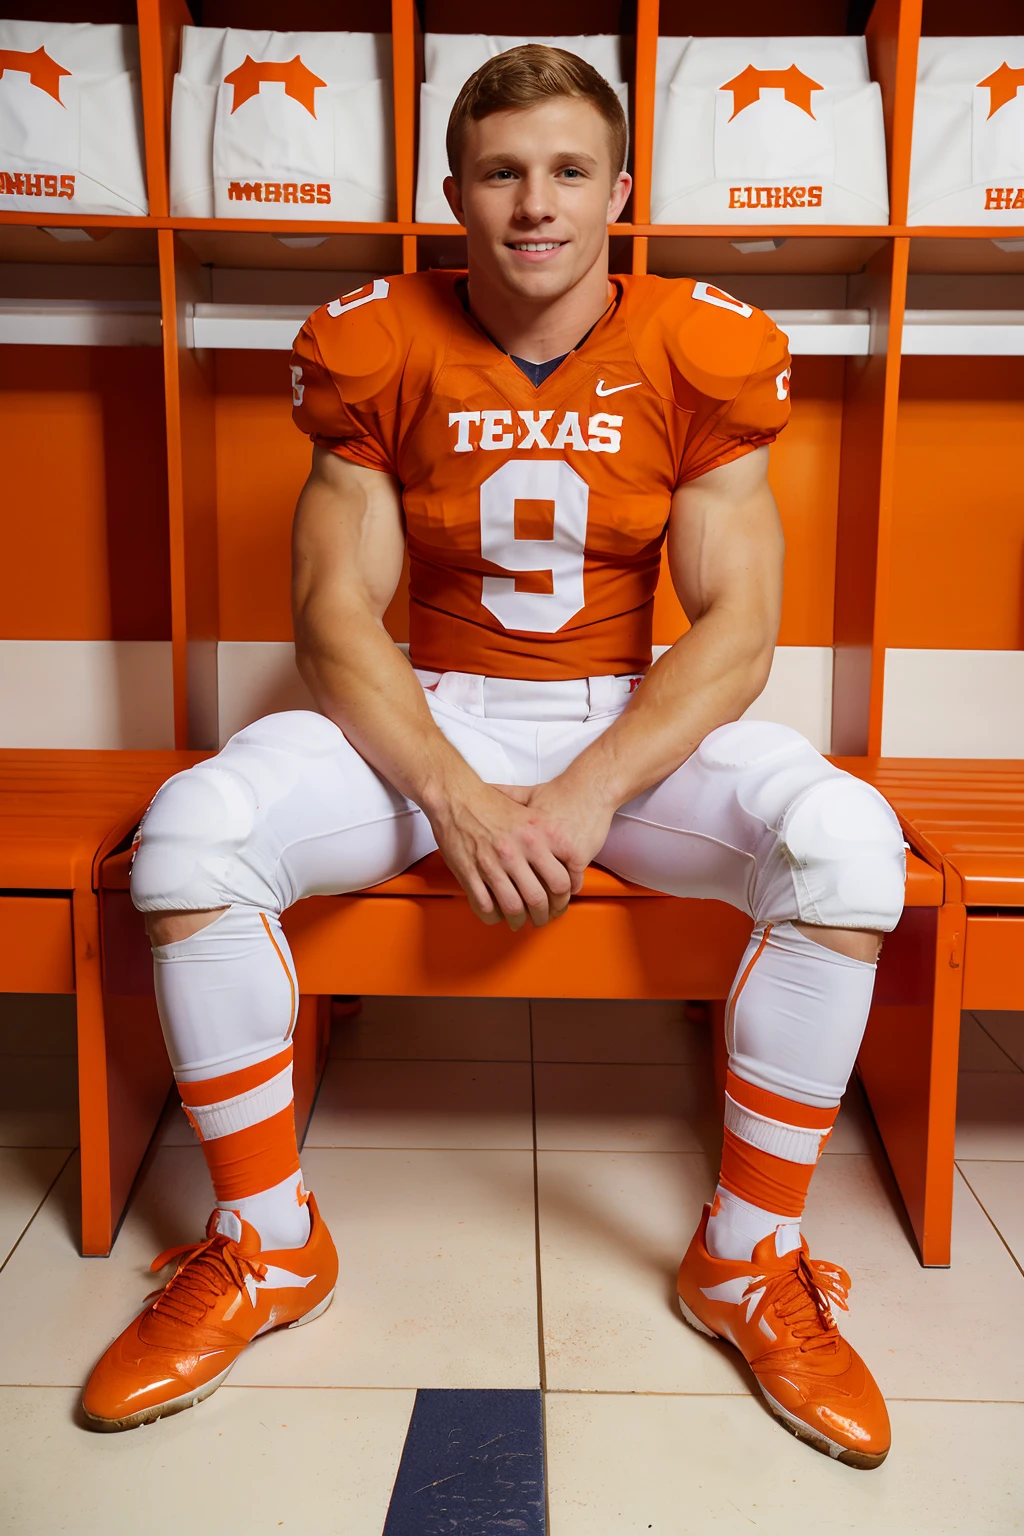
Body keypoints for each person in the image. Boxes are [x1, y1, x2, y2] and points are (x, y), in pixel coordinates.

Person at [82, 45, 905, 1466]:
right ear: (453, 193)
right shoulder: (378, 337)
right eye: (504, 171)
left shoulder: (699, 344)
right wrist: (454, 797)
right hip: (428, 706)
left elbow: (742, 631)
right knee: (191, 833)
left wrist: (584, 794)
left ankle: (748, 1259)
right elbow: (334, 617)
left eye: (570, 170)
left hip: (621, 716)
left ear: (620, 193)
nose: (537, 203)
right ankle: (268, 1244)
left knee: (846, 846)